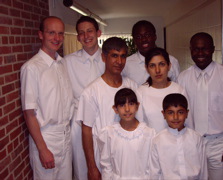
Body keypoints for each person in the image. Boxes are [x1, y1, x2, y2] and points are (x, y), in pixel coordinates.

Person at [178, 32, 223, 180]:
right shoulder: (183, 78)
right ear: (190, 50)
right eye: (196, 49)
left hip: (220, 144)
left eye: (204, 49)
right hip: (192, 142)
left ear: (212, 49)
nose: (200, 53)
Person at [76, 37, 138, 180]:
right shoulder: (92, 91)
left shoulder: (133, 86)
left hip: (129, 156)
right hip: (103, 158)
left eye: (123, 56)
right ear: (104, 57)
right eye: (114, 56)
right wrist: (91, 167)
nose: (119, 61)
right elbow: (86, 130)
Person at [20, 16, 74, 180]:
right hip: (46, 138)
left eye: (60, 33)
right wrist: (43, 149)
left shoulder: (62, 63)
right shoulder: (31, 68)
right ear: (41, 35)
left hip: (66, 136)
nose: (57, 38)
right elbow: (29, 114)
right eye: (51, 33)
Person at [63, 16, 105, 180]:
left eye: (89, 31)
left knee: (106, 164)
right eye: (81, 33)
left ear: (98, 33)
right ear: (78, 37)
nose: (86, 36)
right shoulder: (68, 62)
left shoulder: (109, 59)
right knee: (81, 168)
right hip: (79, 122)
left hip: (105, 119)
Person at [97, 88, 155, 179]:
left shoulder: (149, 134)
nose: (127, 109)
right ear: (115, 109)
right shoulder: (109, 134)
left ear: (137, 106)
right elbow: (106, 166)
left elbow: (152, 167)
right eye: (122, 105)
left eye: (131, 104)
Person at [149, 93, 208, 179]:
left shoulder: (196, 138)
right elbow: (154, 173)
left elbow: (203, 171)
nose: (175, 117)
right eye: (170, 113)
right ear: (163, 114)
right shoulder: (158, 141)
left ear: (187, 113)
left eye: (180, 112)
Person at [136, 47, 193, 133]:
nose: (157, 70)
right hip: (151, 144)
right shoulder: (140, 92)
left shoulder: (178, 90)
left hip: (177, 143)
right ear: (147, 68)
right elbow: (139, 126)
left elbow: (189, 124)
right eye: (152, 66)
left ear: (169, 66)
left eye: (162, 64)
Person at [122, 20, 180, 85]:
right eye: (138, 37)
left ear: (155, 36)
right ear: (134, 40)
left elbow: (176, 89)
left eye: (147, 35)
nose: (144, 39)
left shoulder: (172, 61)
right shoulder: (126, 64)